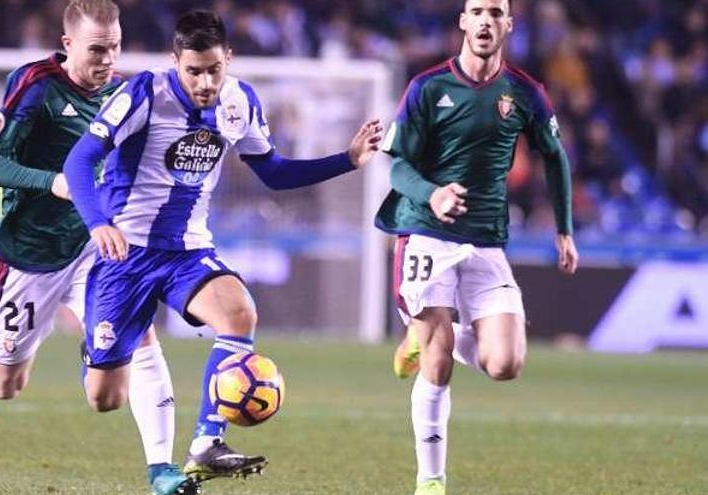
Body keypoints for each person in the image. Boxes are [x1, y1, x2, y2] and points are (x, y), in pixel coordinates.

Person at [63, 9, 383, 483]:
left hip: (187, 249)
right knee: (104, 397)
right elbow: (80, 160)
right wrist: (97, 223)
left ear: (228, 59)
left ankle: (205, 443)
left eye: (215, 69)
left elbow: (273, 172)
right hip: (124, 254)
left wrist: (348, 160)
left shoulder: (240, 102)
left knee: (239, 313)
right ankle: (107, 343)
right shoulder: (142, 95)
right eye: (194, 71)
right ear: (176, 62)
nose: (206, 81)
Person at [0, 2, 199, 494]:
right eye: (97, 49)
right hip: (26, 254)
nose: (108, 59)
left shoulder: (124, 93)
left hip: (93, 247)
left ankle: (162, 471)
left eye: (115, 48)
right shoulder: (37, 85)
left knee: (125, 372)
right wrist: (52, 181)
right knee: (4, 385)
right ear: (68, 45)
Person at [375, 0, 579, 494]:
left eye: (496, 11)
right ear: (462, 22)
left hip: (486, 242)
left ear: (509, 24)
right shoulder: (427, 87)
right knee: (441, 358)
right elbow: (398, 165)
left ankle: (420, 338)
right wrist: (434, 193)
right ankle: (431, 480)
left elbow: (554, 157)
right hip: (425, 232)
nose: (485, 20)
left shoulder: (525, 93)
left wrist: (565, 228)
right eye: (476, 11)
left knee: (505, 365)